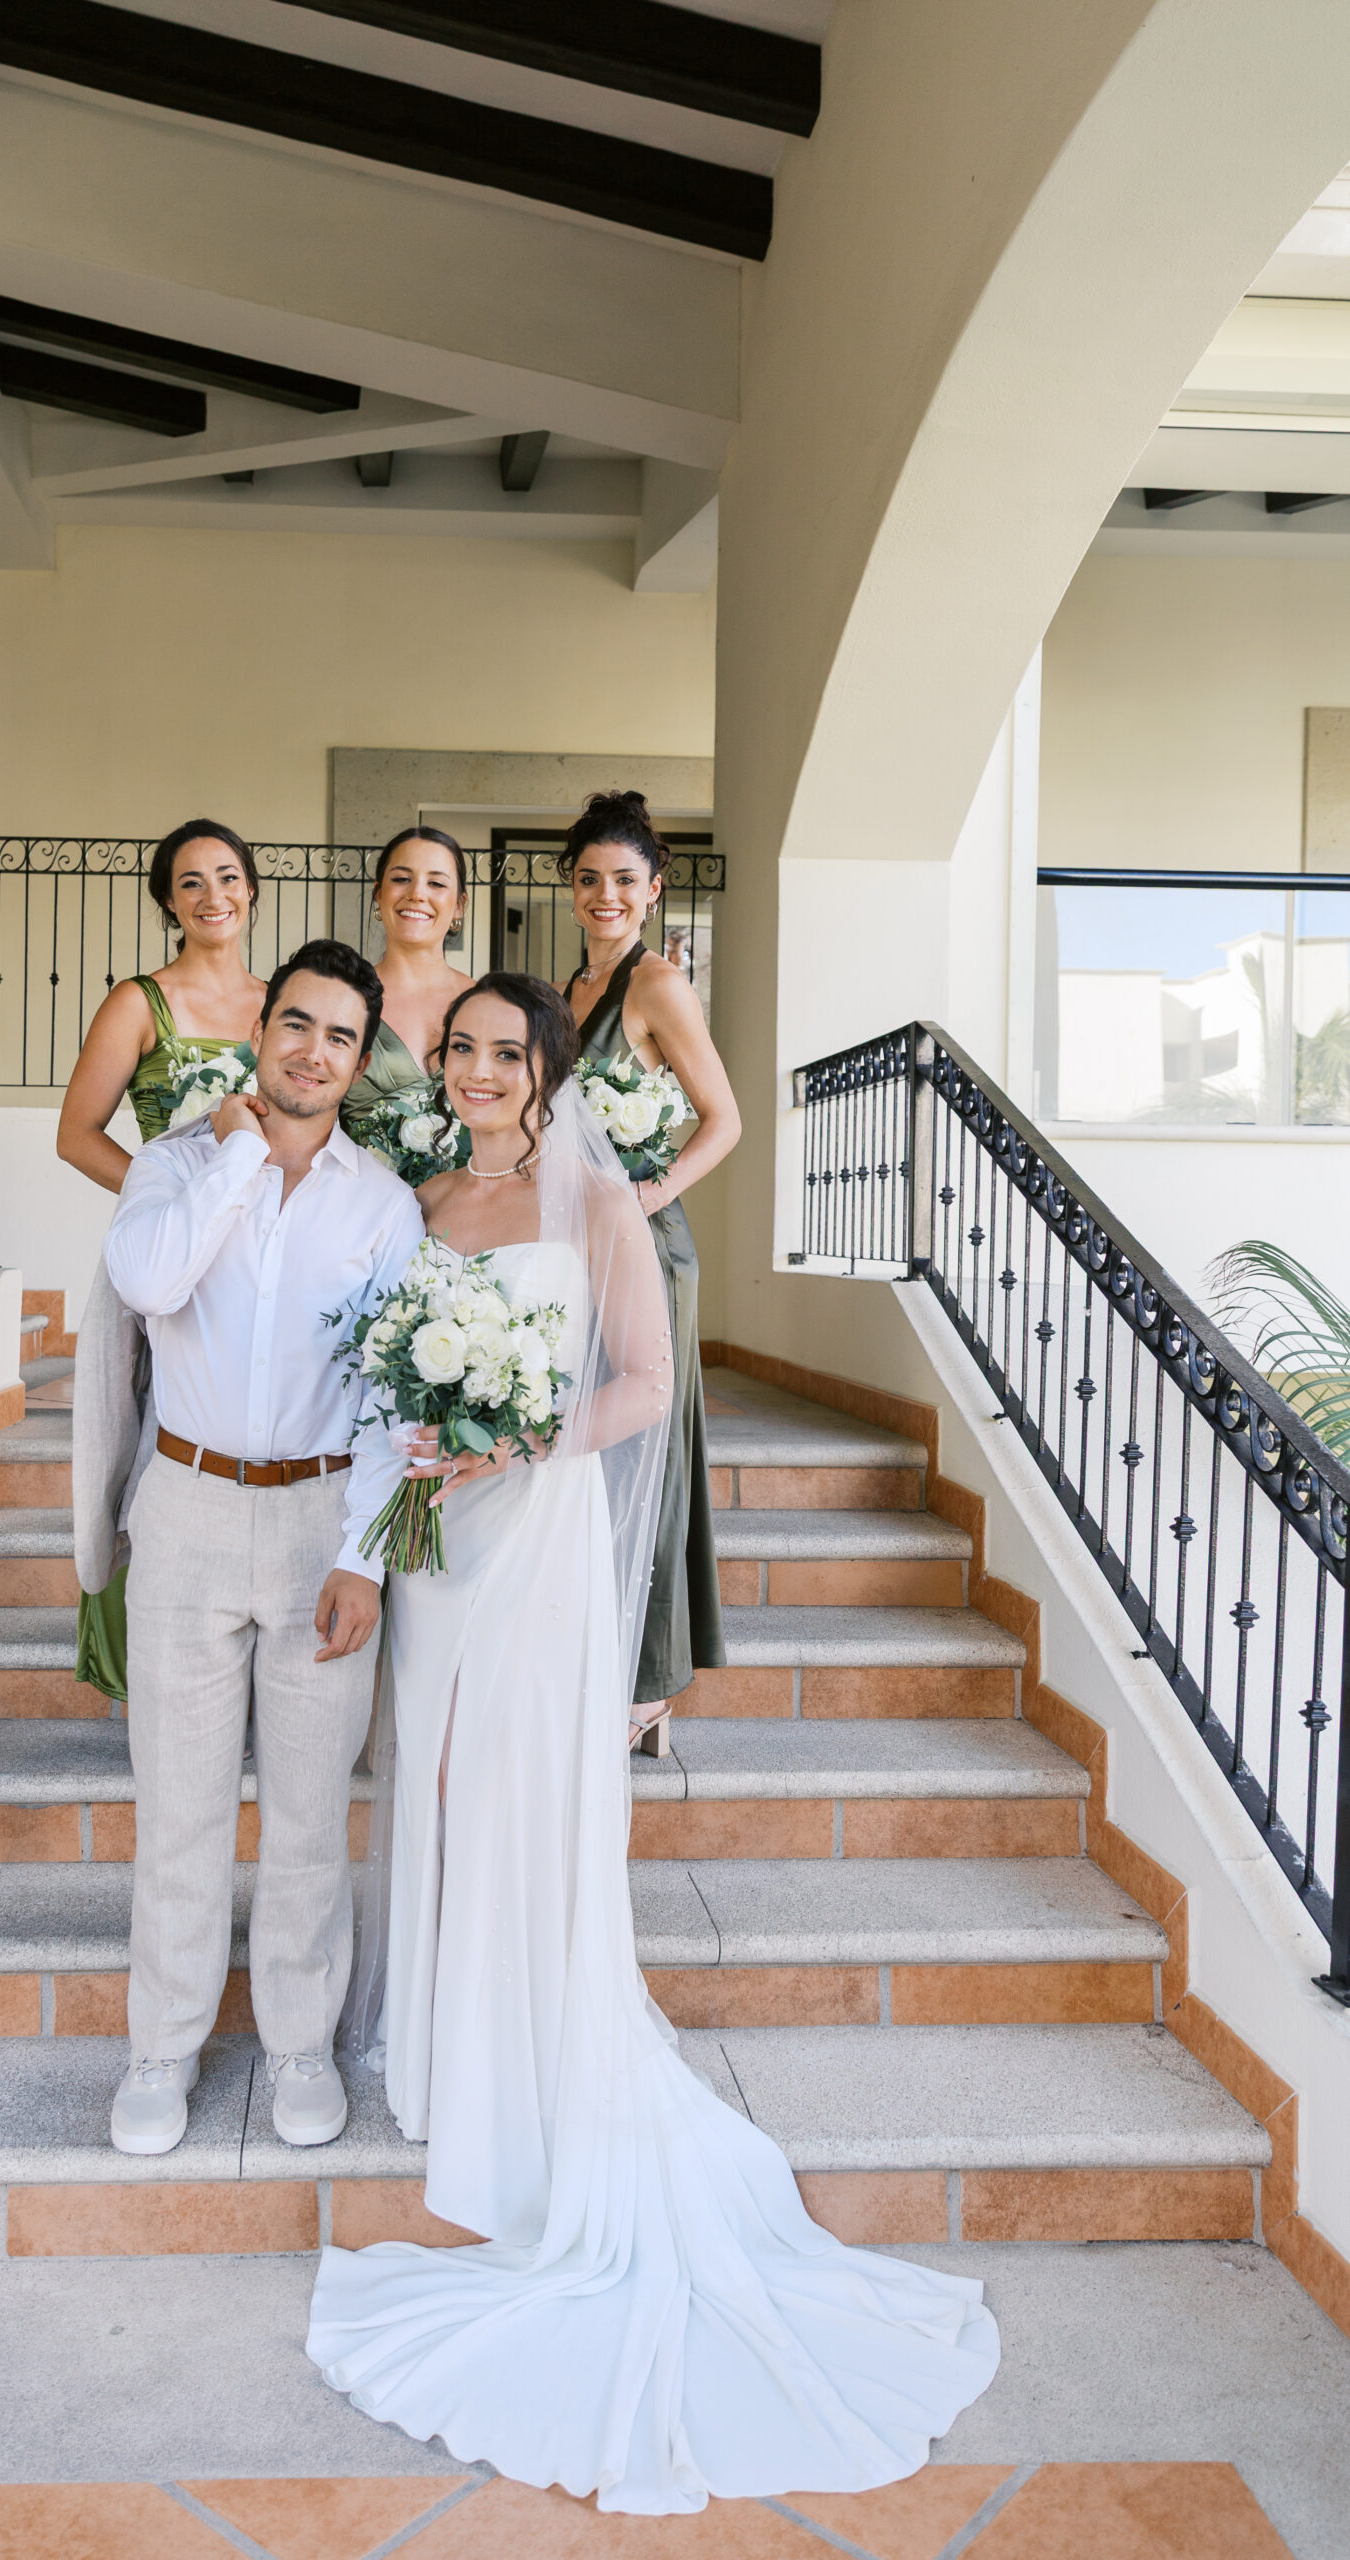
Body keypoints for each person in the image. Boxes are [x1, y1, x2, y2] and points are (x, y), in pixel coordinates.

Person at [306, 974, 999, 2514]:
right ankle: (436, 2044)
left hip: (535, 1536)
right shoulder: (418, 1196)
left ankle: (528, 2060)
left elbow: (639, 1380)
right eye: (463, 1051)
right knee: (430, 1775)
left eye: (508, 1053)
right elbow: (377, 1371)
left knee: (516, 1787)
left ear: (548, 1070)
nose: (481, 1072)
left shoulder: (592, 1196)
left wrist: (511, 1439)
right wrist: (423, 1450)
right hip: (433, 1552)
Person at [101, 940, 422, 2157]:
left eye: (341, 1036)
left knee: (304, 1813)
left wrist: (366, 1558)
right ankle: (163, 2047)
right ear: (262, 1033)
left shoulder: (383, 1204)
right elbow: (149, 1278)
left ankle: (298, 2037)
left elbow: (396, 1401)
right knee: (177, 1803)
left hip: (317, 1525)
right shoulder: (177, 1167)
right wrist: (237, 1153)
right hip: (183, 1511)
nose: (313, 1050)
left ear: (357, 1060)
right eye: (297, 1023)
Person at [58, 820, 267, 1707]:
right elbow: (75, 1135)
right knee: (142, 1448)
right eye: (190, 883)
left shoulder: (283, 998)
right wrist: (161, 1207)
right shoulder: (138, 1001)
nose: (212, 895)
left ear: (251, 889)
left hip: (266, 1266)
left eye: (227, 877)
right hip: (168, 1265)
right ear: (167, 902)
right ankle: (143, 1656)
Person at [560, 791, 740, 1753]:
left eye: (623, 880)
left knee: (649, 1454)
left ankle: (650, 1683)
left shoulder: (656, 984)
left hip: (645, 1243)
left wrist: (649, 1192)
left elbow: (725, 1120)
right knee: (596, 1454)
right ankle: (599, 1647)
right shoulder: (570, 990)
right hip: (577, 1252)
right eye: (588, 878)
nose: (604, 895)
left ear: (653, 888)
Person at [340, 826, 473, 1141]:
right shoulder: (343, 1000)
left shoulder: (487, 1004)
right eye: (401, 879)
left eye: (437, 883)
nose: (417, 893)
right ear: (378, 893)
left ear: (459, 906)